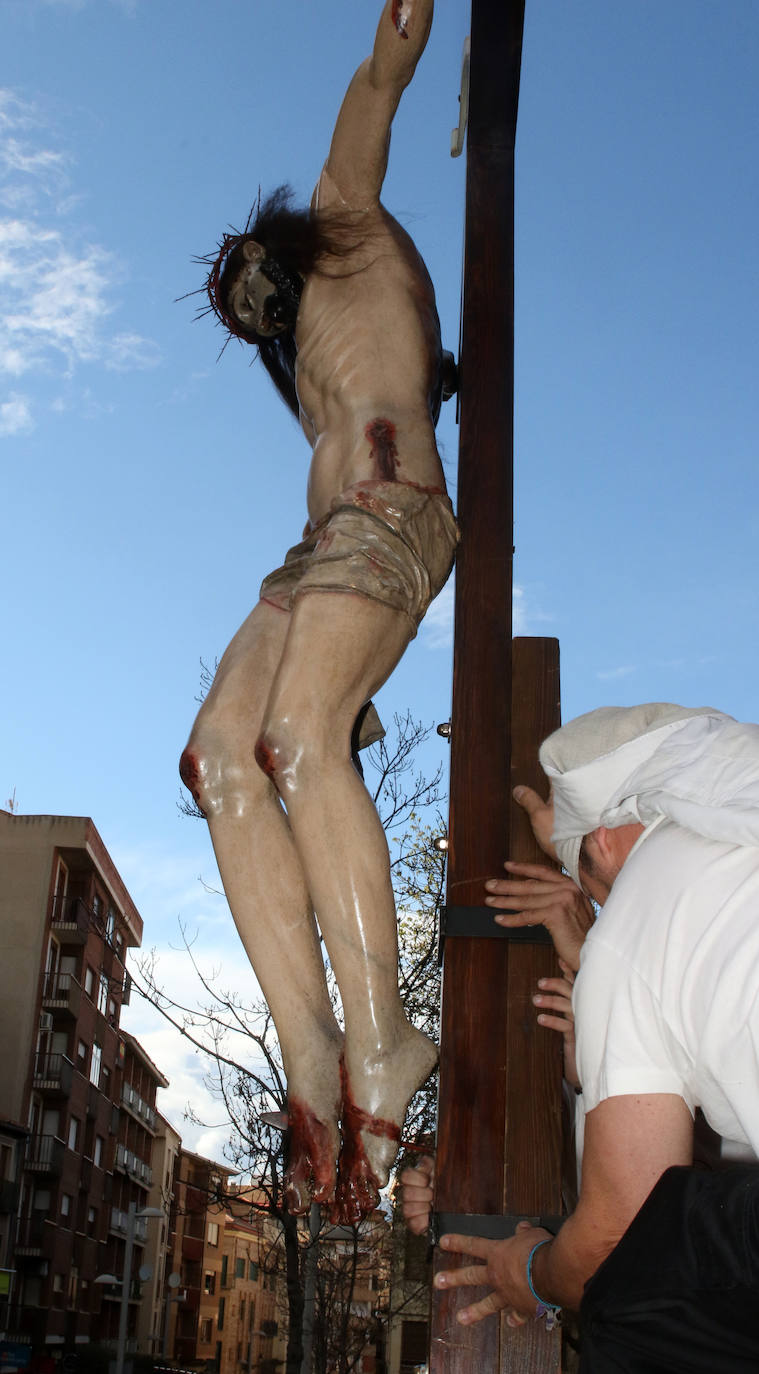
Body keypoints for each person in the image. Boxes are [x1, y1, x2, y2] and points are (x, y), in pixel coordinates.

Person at [179, 0, 458, 1225]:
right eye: (234, 304)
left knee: (301, 735)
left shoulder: (345, 220)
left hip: (391, 509)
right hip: (309, 554)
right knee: (221, 756)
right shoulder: (305, 370)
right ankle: (312, 1053)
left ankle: (388, 1038)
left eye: (243, 273)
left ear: (275, 242)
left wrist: (402, 30)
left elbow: (377, 83)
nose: (242, 299)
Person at [404, 703, 759, 1371]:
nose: (598, 902)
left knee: (643, 1297)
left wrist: (531, 1274)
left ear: (597, 843)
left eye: (588, 884)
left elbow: (622, 1233)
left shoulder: (640, 914)